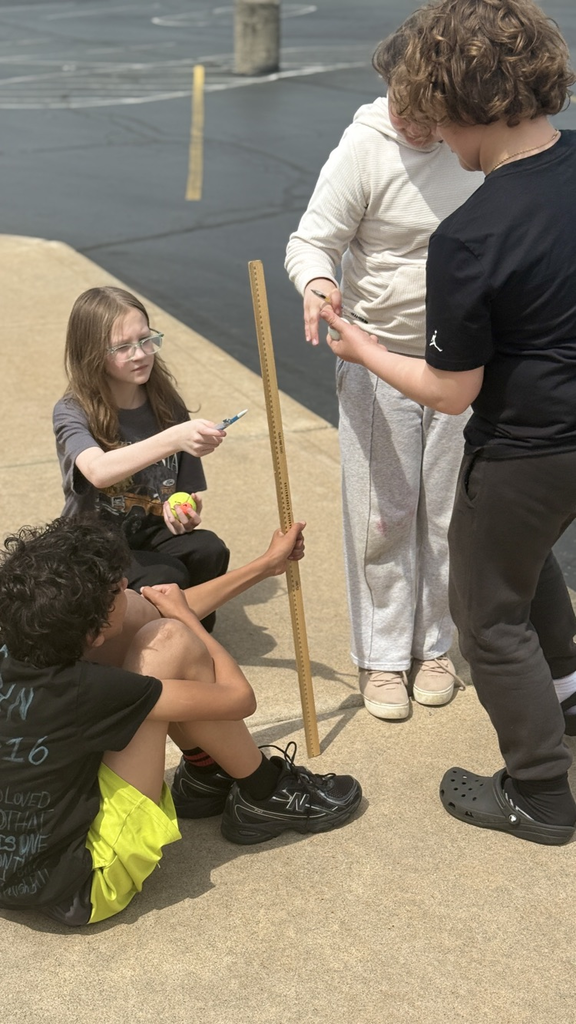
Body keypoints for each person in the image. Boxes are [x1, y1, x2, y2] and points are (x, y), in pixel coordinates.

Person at [319, 0, 576, 845]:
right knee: (529, 564)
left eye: (436, 112)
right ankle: (569, 695)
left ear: (466, 102)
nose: (435, 135)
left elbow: (449, 390)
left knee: (488, 616)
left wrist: (362, 348)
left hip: (526, 451)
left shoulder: (471, 234)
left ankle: (539, 794)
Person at [0, 515, 361, 926]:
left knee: (146, 618)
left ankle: (206, 776)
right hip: (83, 887)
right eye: (117, 588)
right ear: (93, 635)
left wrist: (265, 565)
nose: (126, 584)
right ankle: (265, 792)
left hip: (11, 873)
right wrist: (189, 621)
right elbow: (239, 699)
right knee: (170, 641)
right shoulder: (91, 690)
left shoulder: (24, 639)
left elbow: (148, 607)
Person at [285, 15, 482, 722]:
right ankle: (382, 655)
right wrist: (318, 283)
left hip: (462, 360)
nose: (411, 123)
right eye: (401, 106)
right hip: (380, 356)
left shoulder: (472, 147)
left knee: (448, 516)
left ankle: (434, 646)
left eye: (424, 112)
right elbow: (312, 240)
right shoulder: (364, 146)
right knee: (385, 516)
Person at [53, 286, 230, 631]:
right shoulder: (73, 411)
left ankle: (193, 635)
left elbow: (181, 491)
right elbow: (97, 471)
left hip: (149, 531)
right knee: (166, 575)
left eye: (146, 339)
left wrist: (184, 512)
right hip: (92, 543)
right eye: (123, 347)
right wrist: (174, 438)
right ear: (91, 352)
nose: (140, 354)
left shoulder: (166, 405)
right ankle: (150, 641)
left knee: (210, 549)